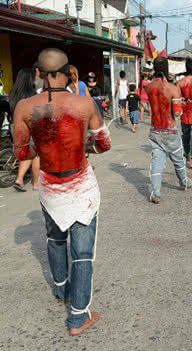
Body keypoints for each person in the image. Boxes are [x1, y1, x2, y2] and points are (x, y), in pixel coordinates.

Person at [13, 48, 111, 336]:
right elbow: (103, 143)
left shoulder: (24, 107)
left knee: (55, 239)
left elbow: (21, 151)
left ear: (39, 74)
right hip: (80, 184)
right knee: (82, 252)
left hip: (50, 185)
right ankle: (78, 317)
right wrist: (82, 147)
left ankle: (61, 290)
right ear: (69, 73)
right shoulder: (85, 103)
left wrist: (44, 146)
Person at [145, 59, 192, 204]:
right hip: (170, 130)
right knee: (178, 160)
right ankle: (185, 182)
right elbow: (178, 113)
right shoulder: (173, 89)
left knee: (157, 161)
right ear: (167, 69)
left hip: (155, 129)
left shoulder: (148, 87)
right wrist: (181, 103)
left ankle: (156, 192)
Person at [9, 67, 40, 191]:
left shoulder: (12, 94)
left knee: (26, 154)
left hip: (14, 127)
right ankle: (37, 184)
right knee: (36, 154)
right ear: (30, 79)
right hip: (28, 128)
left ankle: (19, 179)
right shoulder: (32, 95)